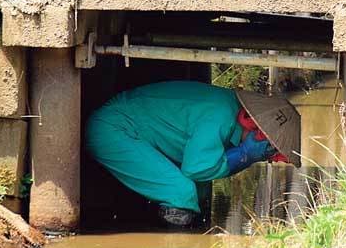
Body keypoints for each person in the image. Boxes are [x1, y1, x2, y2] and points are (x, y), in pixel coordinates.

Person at [86, 81, 300, 227]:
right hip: (114, 129)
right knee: (181, 192)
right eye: (271, 148)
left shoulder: (228, 110)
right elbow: (196, 168)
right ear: (248, 121)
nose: (269, 158)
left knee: (201, 191)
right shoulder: (220, 114)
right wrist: (244, 155)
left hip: (129, 130)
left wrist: (245, 153)